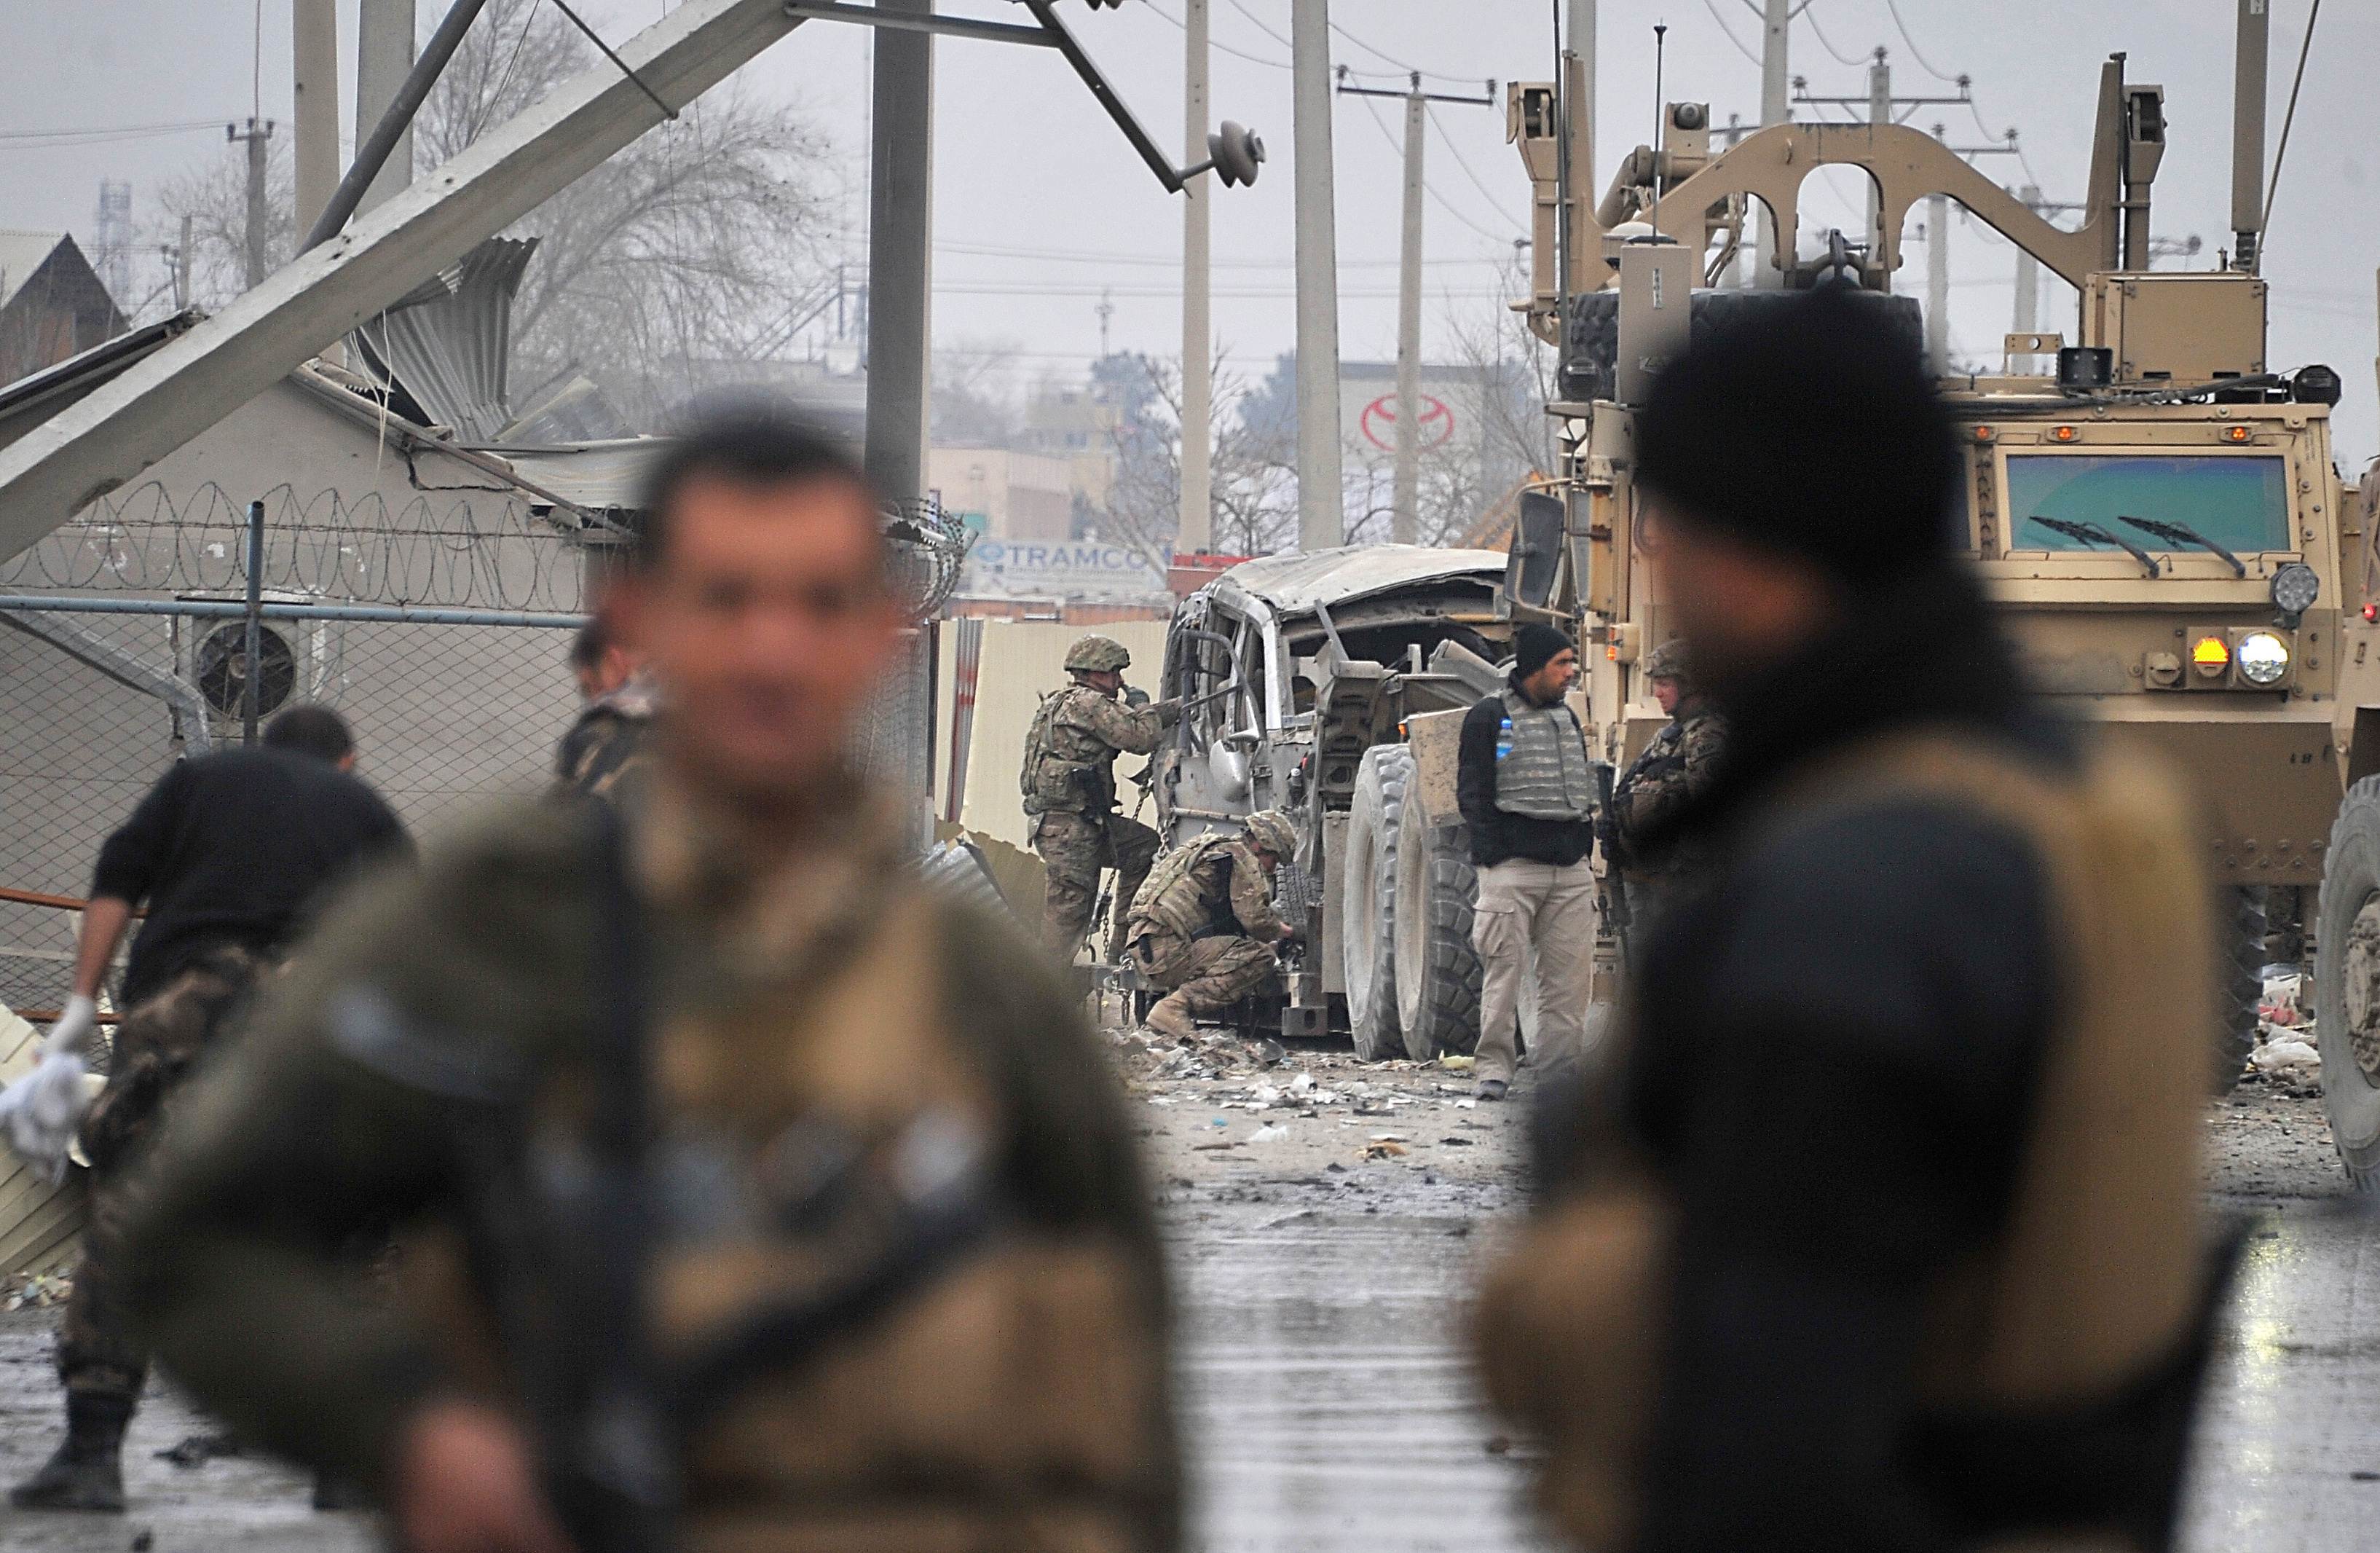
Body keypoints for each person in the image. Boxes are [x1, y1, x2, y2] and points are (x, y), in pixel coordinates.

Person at [119, 409, 1180, 1553]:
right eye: (726, 599)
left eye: (818, 604)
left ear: (882, 635)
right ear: (638, 620)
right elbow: (197, 1246)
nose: (772, 651)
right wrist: (406, 1431)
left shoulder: (978, 986)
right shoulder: (493, 928)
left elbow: (1129, 1391)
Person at [1475, 290, 2223, 1553]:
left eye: (1671, 521)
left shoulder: (1865, 891)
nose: (1652, 556)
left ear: (1748, 539)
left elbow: (1780, 1420)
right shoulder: (2087, 805)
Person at [2, 703, 409, 1513]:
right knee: (349, 1221)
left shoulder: (200, 778)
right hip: (307, 1008)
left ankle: (92, 1452)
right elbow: (408, 929)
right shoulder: (363, 807)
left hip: (184, 1003)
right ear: (348, 760)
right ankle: (348, 1458)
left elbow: (116, 882)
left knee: (133, 1211)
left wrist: (81, 1003)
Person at [1457, 622, 1598, 1101]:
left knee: (1569, 983)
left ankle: (1558, 1074)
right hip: (1513, 868)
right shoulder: (1491, 718)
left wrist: (1583, 843)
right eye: (1562, 663)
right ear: (1536, 666)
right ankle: (1493, 1070)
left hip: (1569, 872)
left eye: (1572, 663)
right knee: (1504, 973)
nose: (1571, 672)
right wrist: (1493, 855)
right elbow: (1475, 792)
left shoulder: (1567, 719)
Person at [1021, 634, 1179, 962]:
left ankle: (1121, 951)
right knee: (1067, 924)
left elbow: (1126, 723)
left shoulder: (1063, 702)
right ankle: (1039, 999)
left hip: (1079, 824)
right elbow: (1140, 737)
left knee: (1142, 849)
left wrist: (1175, 709)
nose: (1120, 681)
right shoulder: (1088, 704)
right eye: (1114, 673)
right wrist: (1143, 705)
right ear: (1095, 673)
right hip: (1070, 830)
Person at [1122, 810, 1297, 1040]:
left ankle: (1169, 1015)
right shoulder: (1240, 857)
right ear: (1260, 846)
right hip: (1166, 952)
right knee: (1259, 956)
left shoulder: (1208, 847)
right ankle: (1174, 1008)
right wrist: (1286, 932)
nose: (1272, 869)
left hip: (1145, 947)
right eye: (1273, 860)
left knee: (1220, 947)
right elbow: (1255, 920)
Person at [1603, 637, 1727, 937]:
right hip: (1646, 875)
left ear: (1690, 685)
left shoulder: (1708, 736)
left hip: (1679, 881)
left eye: (1665, 684)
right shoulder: (1669, 735)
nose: (1656, 693)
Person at [553, 618, 656, 801]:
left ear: (614, 660)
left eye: (591, 687)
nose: (594, 699)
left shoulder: (602, 735)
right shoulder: (708, 707)